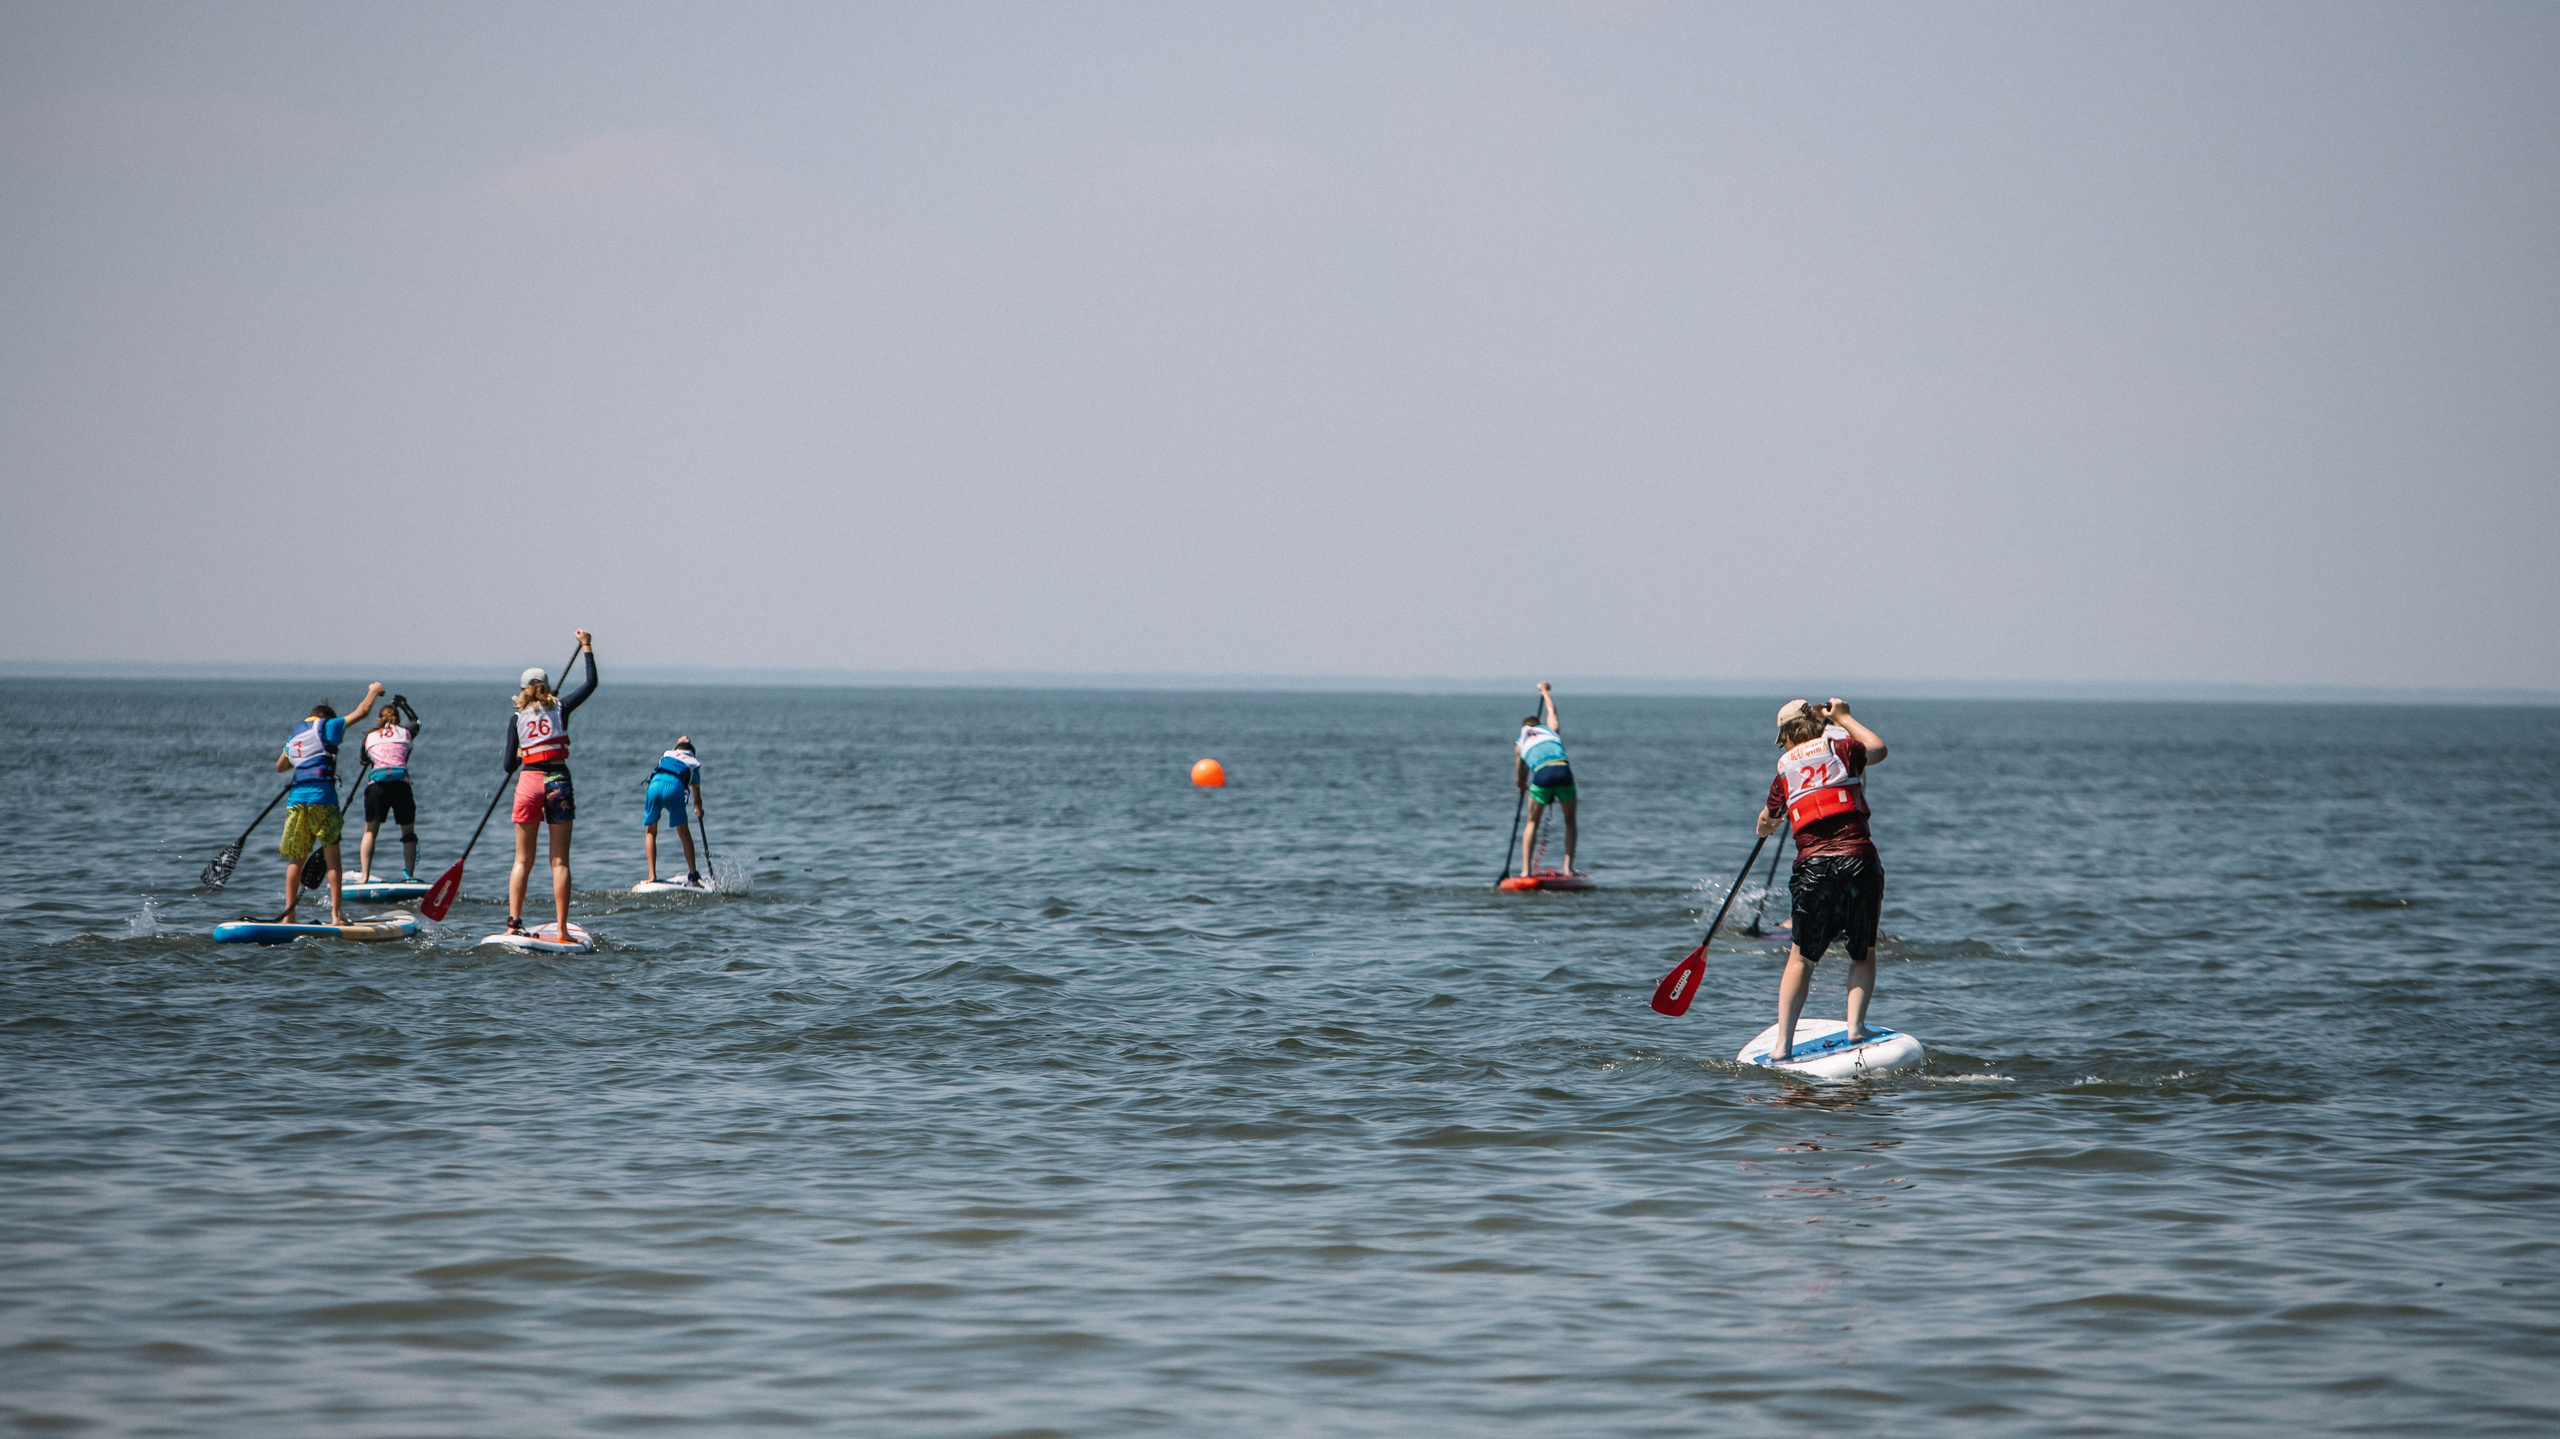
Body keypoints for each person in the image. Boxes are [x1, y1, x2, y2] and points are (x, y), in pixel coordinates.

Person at [1755, 697, 1889, 1061]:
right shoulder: (1841, 747)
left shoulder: (1784, 768)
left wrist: (1768, 824)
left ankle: (1783, 1046)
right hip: (1858, 861)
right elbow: (1878, 749)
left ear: (1786, 735)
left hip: (1813, 868)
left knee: (1800, 958)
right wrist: (1845, 717)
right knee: (1862, 951)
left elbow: (1766, 819)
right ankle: (1856, 1028)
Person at [504, 631, 596, 941]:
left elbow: (507, 765)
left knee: (521, 861)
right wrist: (586, 646)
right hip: (558, 781)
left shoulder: (516, 718)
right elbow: (590, 684)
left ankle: (513, 924)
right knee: (559, 861)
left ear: (522, 690)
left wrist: (520, 753)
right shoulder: (561, 707)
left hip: (528, 782)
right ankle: (561, 931)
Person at [272, 682, 386, 924]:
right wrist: (374, 691)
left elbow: (280, 766)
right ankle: (336, 915)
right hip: (323, 799)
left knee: (297, 859)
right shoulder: (330, 726)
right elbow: (362, 712)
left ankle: (288, 916)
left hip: (297, 801)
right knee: (332, 855)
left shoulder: (296, 734)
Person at [1513, 681, 1579, 876]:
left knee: (1532, 822)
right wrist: (1545, 692)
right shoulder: (1550, 730)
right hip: (1563, 771)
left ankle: (1526, 871)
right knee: (1570, 821)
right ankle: (1568, 867)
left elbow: (1520, 773)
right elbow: (1552, 712)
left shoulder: (1520, 742)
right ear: (1538, 726)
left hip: (1542, 775)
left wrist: (1522, 785)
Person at [356, 696, 422, 883]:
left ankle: (364, 876)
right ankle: (409, 876)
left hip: (377, 787)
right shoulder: (405, 733)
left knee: (370, 831)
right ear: (397, 719)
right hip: (401, 785)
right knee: (408, 832)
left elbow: (363, 760)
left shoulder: (369, 736)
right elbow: (416, 722)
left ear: (379, 719)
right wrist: (403, 704)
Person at [642, 737, 707, 886]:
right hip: (674, 788)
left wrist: (681, 741)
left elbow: (676, 748)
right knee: (683, 832)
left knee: (650, 831)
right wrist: (699, 809)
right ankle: (693, 877)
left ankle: (652, 876)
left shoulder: (667, 756)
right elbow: (697, 802)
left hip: (654, 786)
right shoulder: (692, 766)